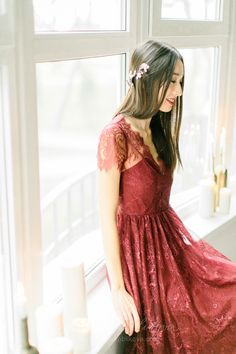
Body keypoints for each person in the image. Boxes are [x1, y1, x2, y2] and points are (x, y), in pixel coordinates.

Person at [96, 40, 236, 353]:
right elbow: (106, 217)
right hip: (139, 255)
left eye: (180, 82)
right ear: (147, 78)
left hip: (168, 242)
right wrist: (118, 289)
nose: (179, 91)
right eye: (172, 81)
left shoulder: (158, 127)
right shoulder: (115, 134)